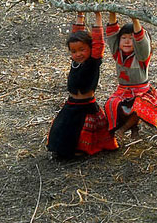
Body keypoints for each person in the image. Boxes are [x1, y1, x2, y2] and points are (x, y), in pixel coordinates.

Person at [47, 12, 118, 159]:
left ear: (90, 48)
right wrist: (80, 16)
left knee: (80, 129)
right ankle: (62, 150)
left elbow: (98, 42)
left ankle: (79, 150)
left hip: (86, 105)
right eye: (74, 51)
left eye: (82, 50)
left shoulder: (93, 61)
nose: (78, 54)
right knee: (61, 127)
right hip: (72, 103)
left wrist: (98, 16)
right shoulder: (75, 62)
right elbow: (76, 34)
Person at [104, 12, 157, 139]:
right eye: (123, 38)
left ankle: (124, 129)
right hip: (123, 91)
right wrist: (112, 12)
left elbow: (142, 42)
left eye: (131, 38)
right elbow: (112, 33)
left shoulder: (141, 57)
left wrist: (135, 19)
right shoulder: (117, 53)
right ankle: (133, 126)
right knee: (111, 104)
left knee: (139, 106)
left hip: (142, 92)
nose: (127, 42)